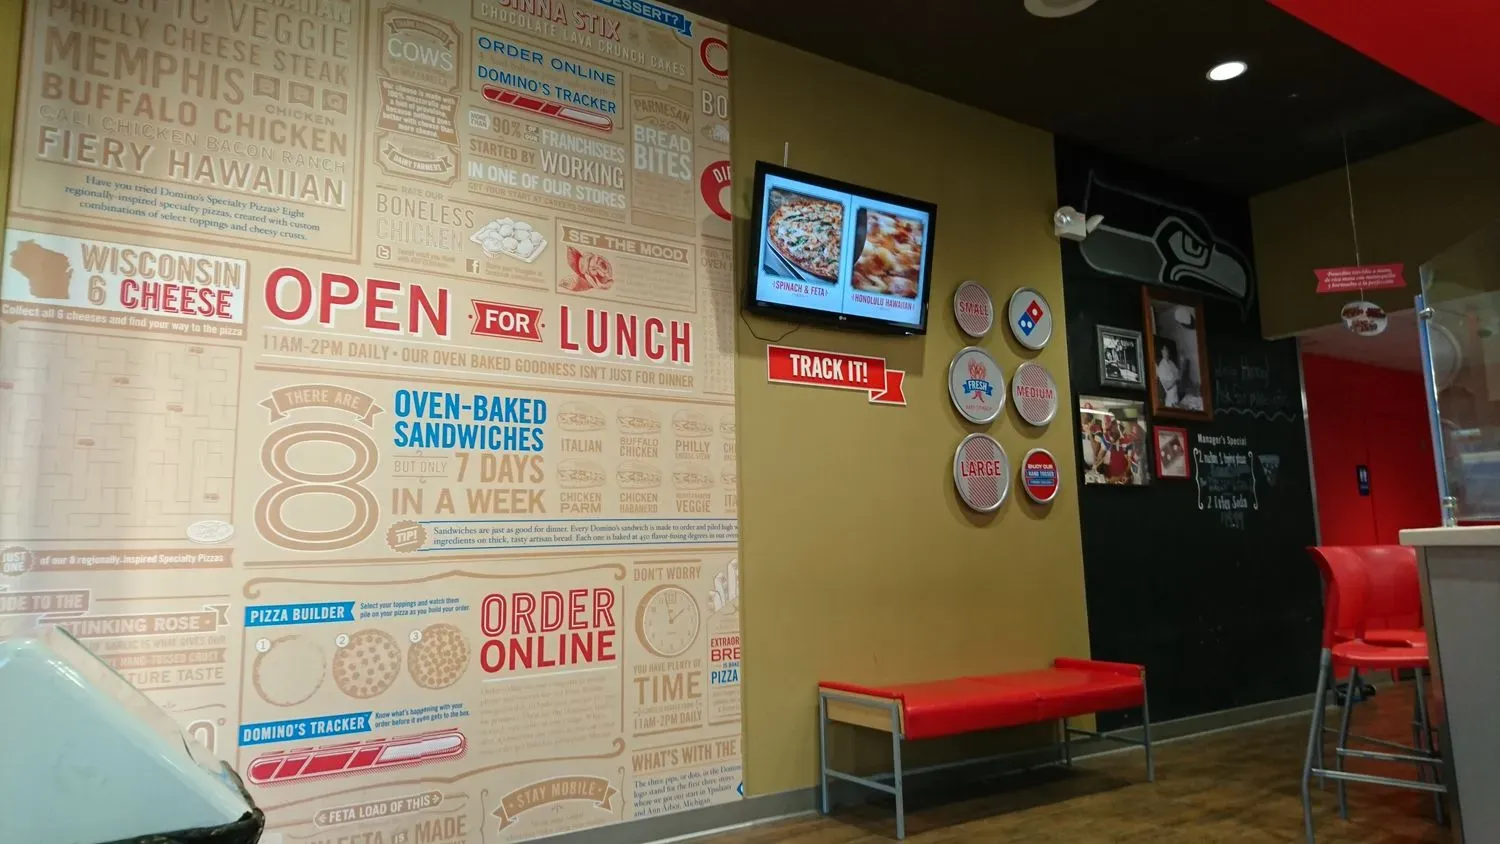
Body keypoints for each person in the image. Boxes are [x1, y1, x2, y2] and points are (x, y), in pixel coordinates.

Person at [1155, 338, 1180, 407]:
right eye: (1165, 349)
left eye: (1167, 350)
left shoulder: (1171, 362)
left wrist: (1174, 379)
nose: (1166, 351)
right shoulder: (1161, 366)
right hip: (1170, 399)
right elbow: (1167, 386)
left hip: (1176, 396)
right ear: (1162, 351)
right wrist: (1175, 380)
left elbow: (1178, 375)